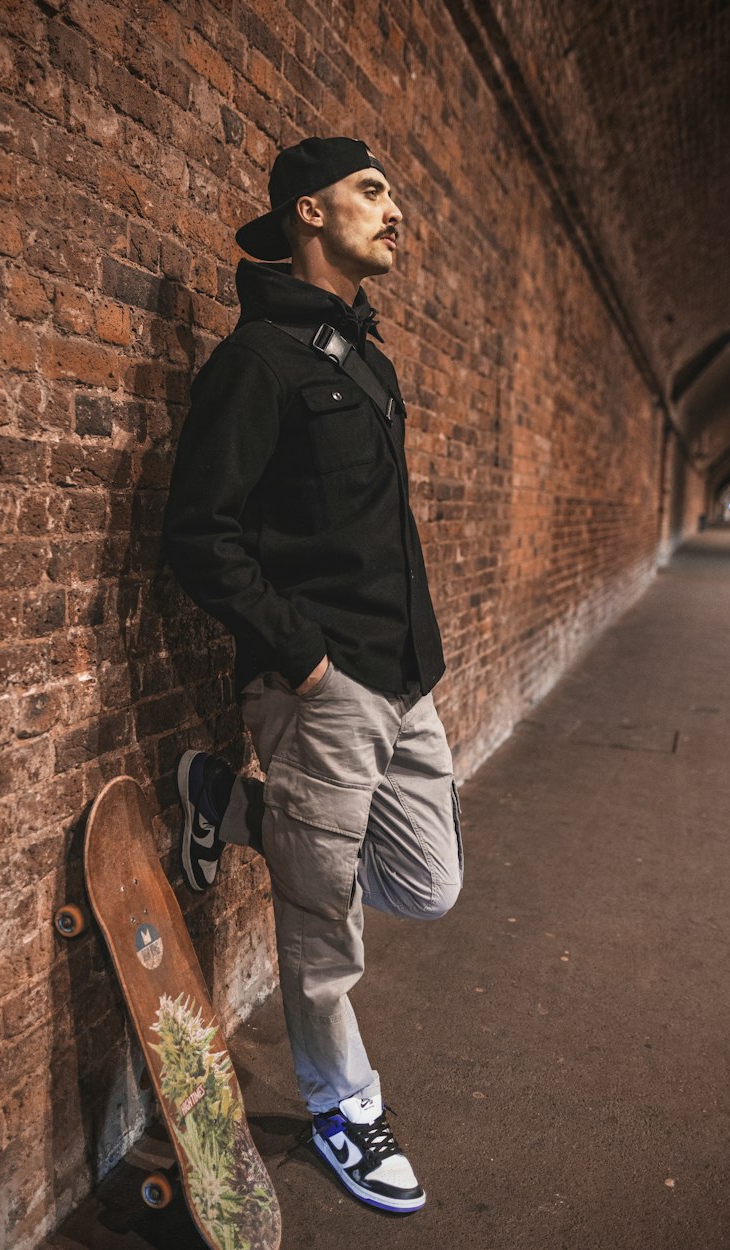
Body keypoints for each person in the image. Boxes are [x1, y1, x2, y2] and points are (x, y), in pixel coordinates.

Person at [164, 136, 463, 1214]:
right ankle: (342, 1104)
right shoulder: (256, 363)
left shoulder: (362, 358)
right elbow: (200, 533)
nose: (395, 213)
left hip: (400, 679)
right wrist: (305, 658)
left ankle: (228, 802)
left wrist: (406, 662)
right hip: (320, 691)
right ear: (308, 211)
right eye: (371, 192)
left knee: (428, 883)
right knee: (322, 928)